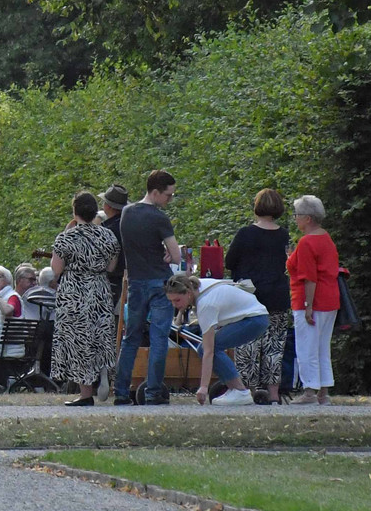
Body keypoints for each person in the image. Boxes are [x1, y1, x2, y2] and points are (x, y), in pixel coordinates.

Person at [113, 170, 182, 406]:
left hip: (136, 282)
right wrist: (166, 256)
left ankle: (121, 391)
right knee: (159, 338)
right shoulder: (159, 218)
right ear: (155, 192)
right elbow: (176, 255)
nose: (169, 200)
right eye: (168, 195)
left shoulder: (126, 213)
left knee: (130, 338)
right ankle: (153, 392)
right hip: (159, 283)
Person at [50, 190, 120, 406]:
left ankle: (86, 393)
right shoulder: (108, 235)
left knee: (78, 339)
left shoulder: (66, 237)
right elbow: (111, 266)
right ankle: (103, 372)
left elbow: (56, 268)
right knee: (99, 334)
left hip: (74, 291)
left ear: (75, 211)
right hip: (99, 288)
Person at [224, 188, 290, 403]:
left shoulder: (245, 234)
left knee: (248, 345)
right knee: (275, 346)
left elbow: (229, 262)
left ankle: (248, 391)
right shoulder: (284, 235)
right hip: (278, 295)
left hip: (250, 297)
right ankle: (273, 394)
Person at [163, 274, 265, 406]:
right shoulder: (197, 285)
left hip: (255, 319)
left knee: (208, 348)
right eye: (171, 301)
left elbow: (209, 351)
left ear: (188, 293)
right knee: (203, 348)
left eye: (177, 300)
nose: (174, 305)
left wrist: (204, 387)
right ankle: (235, 389)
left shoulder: (205, 304)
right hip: (254, 316)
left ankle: (240, 391)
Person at [286, 194, 339, 405]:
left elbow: (309, 277)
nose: (295, 219)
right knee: (322, 347)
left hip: (311, 300)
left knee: (307, 346)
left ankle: (309, 391)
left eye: (298, 215)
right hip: (330, 299)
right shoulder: (325, 237)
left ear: (308, 218)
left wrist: (308, 306)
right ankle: (323, 392)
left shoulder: (307, 241)